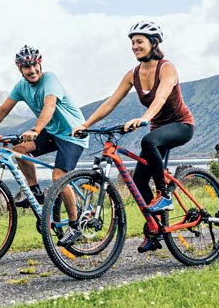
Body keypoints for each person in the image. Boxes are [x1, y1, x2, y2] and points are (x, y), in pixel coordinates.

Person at [72, 21, 195, 252]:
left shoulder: (167, 68)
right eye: (132, 43)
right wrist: (85, 124)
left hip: (181, 125)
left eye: (139, 42)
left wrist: (145, 118)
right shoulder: (133, 74)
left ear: (153, 43)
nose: (134, 46)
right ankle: (155, 229)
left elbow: (160, 97)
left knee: (149, 141)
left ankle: (164, 194)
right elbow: (110, 103)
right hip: (157, 128)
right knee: (138, 182)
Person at [0, 45, 88, 245]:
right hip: (51, 133)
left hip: (72, 134)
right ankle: (35, 191)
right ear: (20, 69)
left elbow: (49, 106)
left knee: (59, 176)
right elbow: (3, 109)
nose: (32, 70)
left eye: (34, 65)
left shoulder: (50, 79)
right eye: (27, 67)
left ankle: (75, 226)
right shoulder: (21, 86)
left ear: (39, 64)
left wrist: (35, 130)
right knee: (18, 149)